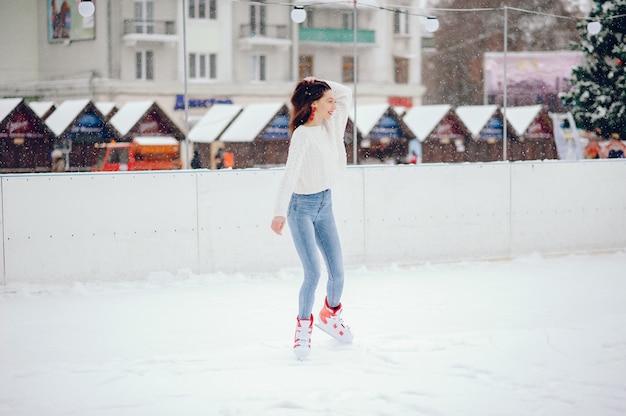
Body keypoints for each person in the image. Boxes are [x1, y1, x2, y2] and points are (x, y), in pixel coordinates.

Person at [270, 77, 353, 360]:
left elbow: (346, 93)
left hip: (325, 204)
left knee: (338, 273)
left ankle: (329, 315)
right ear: (314, 104)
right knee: (313, 273)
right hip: (300, 208)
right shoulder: (303, 134)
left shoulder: (332, 126)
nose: (335, 105)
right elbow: (290, 173)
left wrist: (319, 81)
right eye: (328, 100)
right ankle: (303, 328)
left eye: (333, 100)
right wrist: (280, 212)